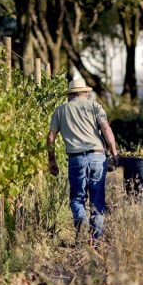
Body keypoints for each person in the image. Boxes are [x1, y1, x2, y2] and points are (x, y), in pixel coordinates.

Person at [47, 80, 120, 241]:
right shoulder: (95, 107)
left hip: (76, 159)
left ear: (71, 94)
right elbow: (106, 129)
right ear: (85, 93)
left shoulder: (60, 110)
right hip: (97, 157)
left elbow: (51, 137)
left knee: (77, 199)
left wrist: (52, 161)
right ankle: (96, 240)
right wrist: (114, 153)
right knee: (97, 201)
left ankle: (81, 221)